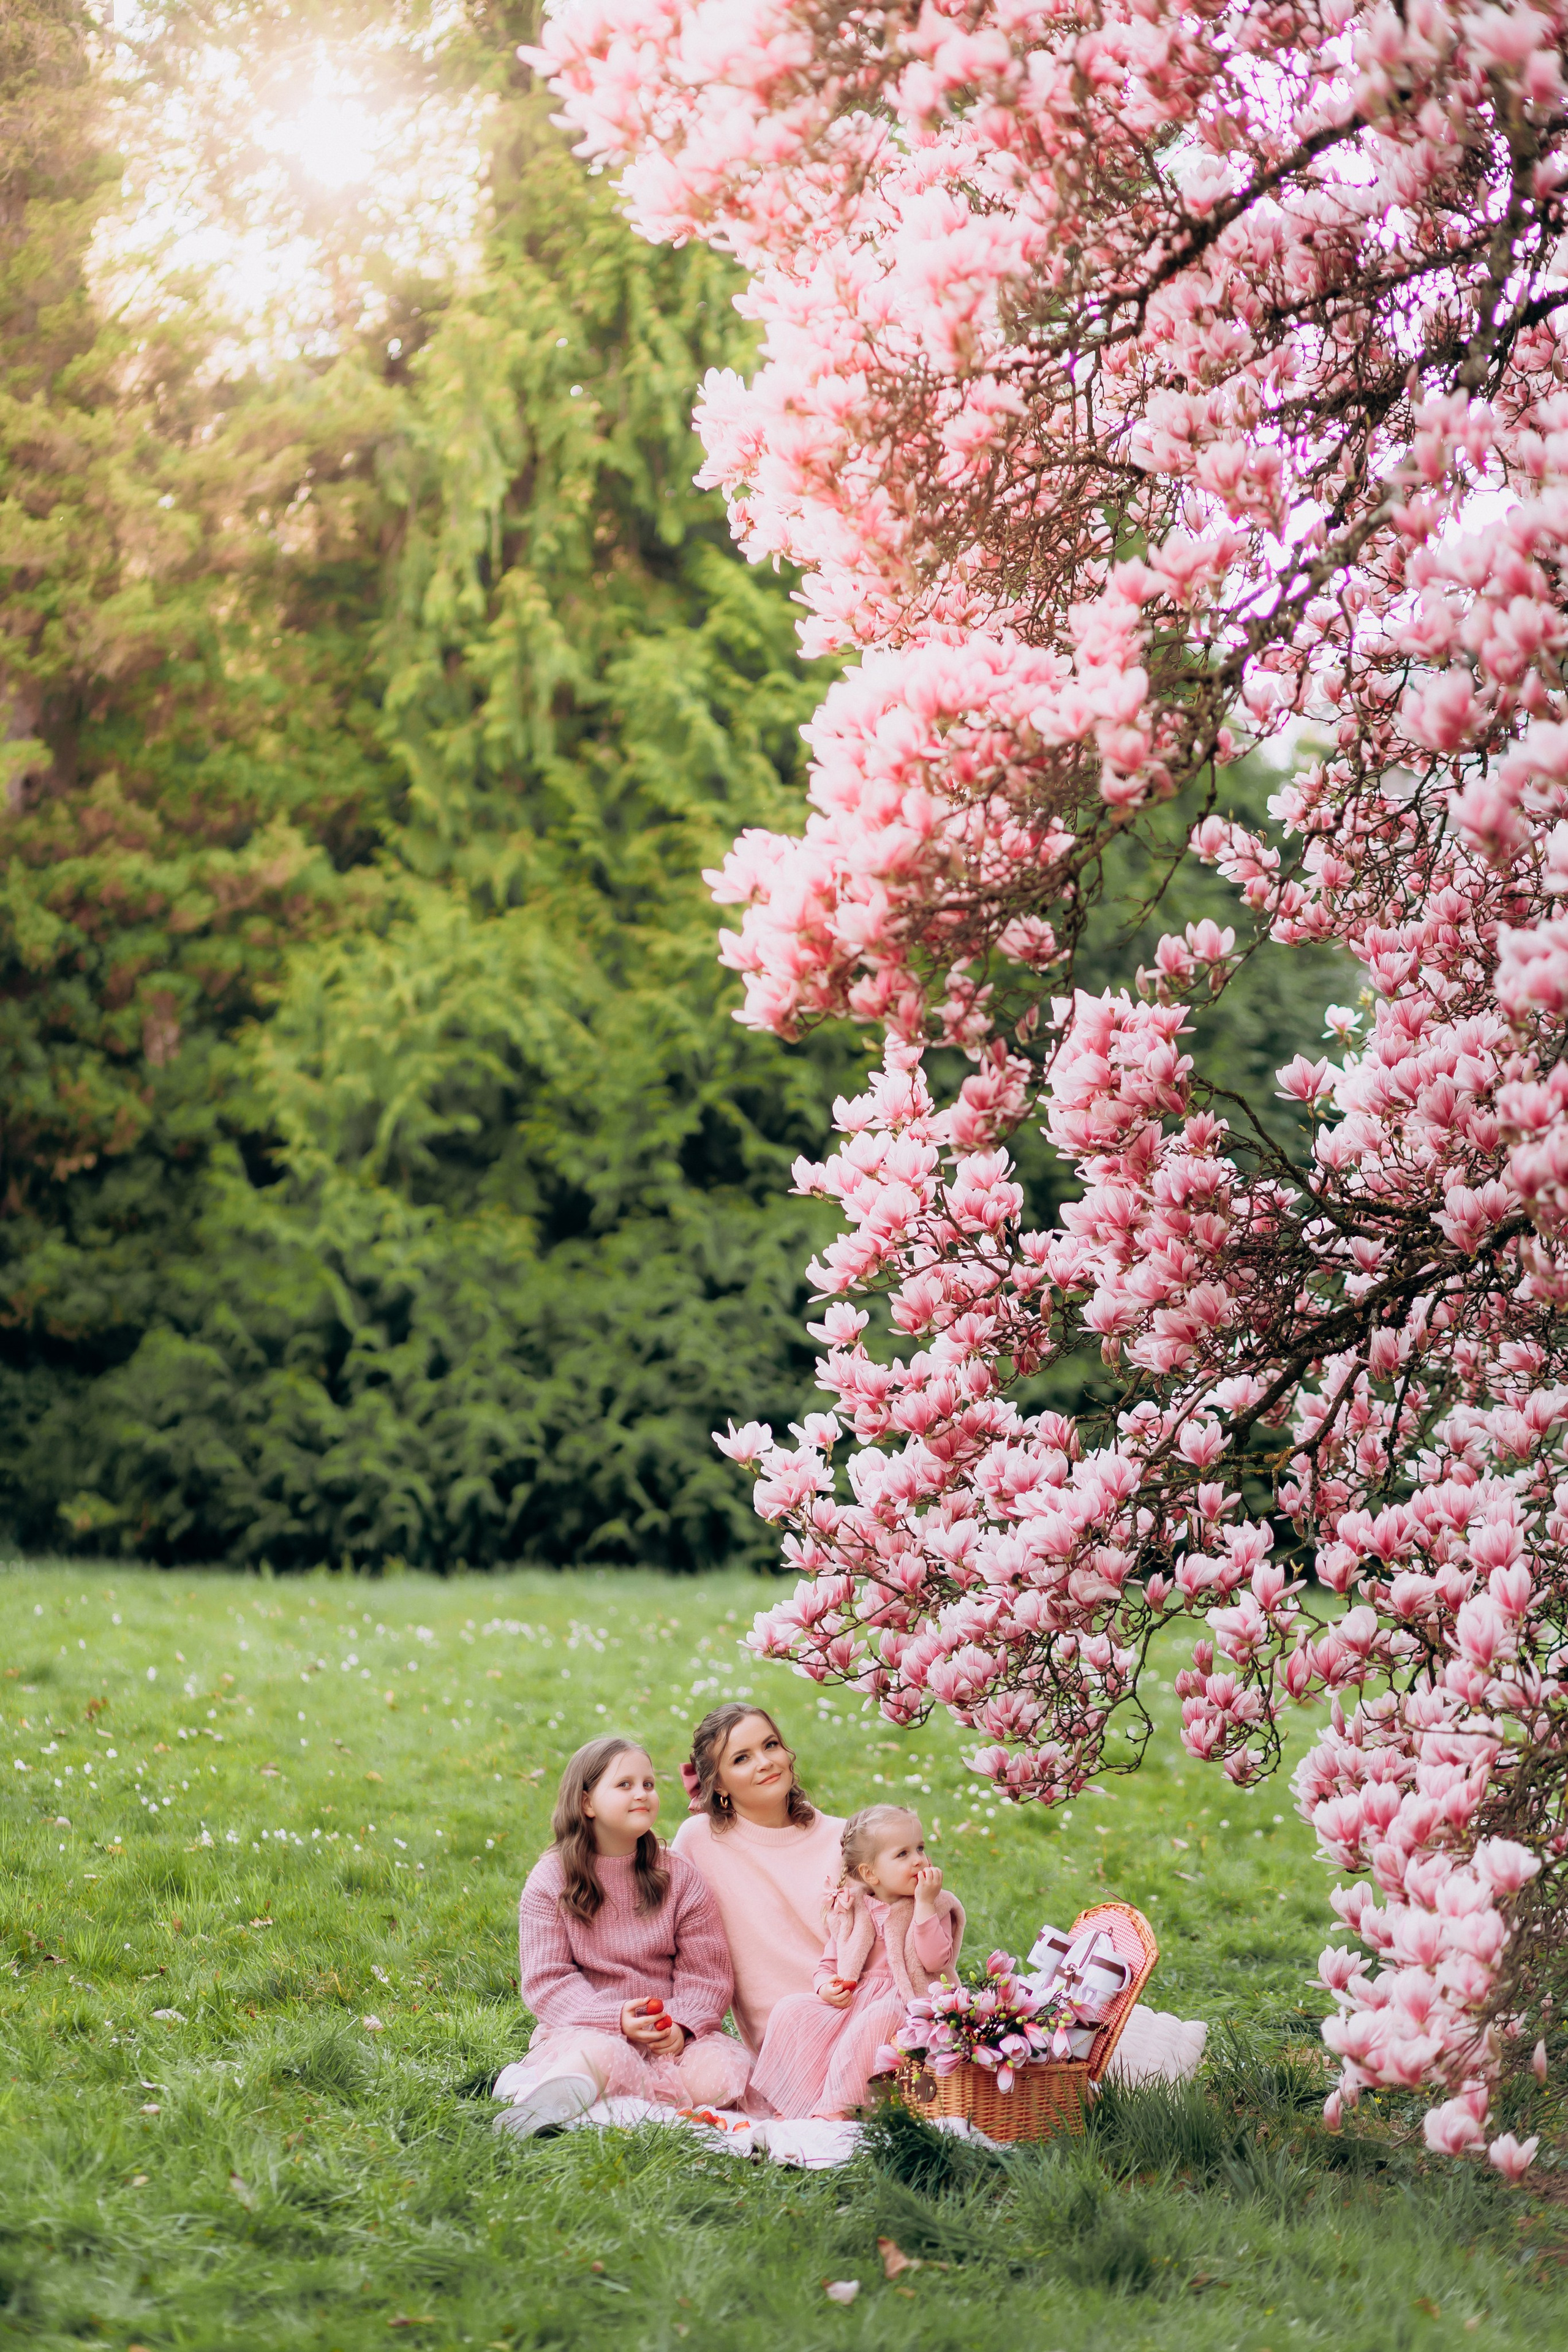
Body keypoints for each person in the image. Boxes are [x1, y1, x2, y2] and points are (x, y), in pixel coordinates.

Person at [496, 1734, 751, 2138]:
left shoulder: (679, 1876)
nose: (642, 1794)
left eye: (648, 1784)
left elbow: (707, 1975)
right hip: (588, 2030)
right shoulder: (551, 1880)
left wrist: (681, 2026)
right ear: (586, 1803)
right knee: (605, 2056)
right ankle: (540, 2096)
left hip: (668, 2038)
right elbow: (548, 1980)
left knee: (725, 2072)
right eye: (625, 1785)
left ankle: (606, 2101)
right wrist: (614, 2020)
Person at [750, 1803, 963, 2122]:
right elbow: (829, 1963)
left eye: (920, 1848)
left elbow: (934, 1960)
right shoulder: (853, 1908)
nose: (919, 1859)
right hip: (855, 1997)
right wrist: (825, 1987)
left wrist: (925, 1905)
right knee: (792, 2010)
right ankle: (796, 2101)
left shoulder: (934, 1904)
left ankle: (839, 2109)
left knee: (875, 2020)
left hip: (907, 2000)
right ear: (870, 1874)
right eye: (902, 1854)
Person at [670, 1705, 844, 2061]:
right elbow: (663, 1932)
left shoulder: (843, 1838)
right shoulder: (700, 1841)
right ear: (717, 1783)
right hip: (787, 2038)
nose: (765, 1762)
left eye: (770, 1745)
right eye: (741, 1759)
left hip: (855, 2003)